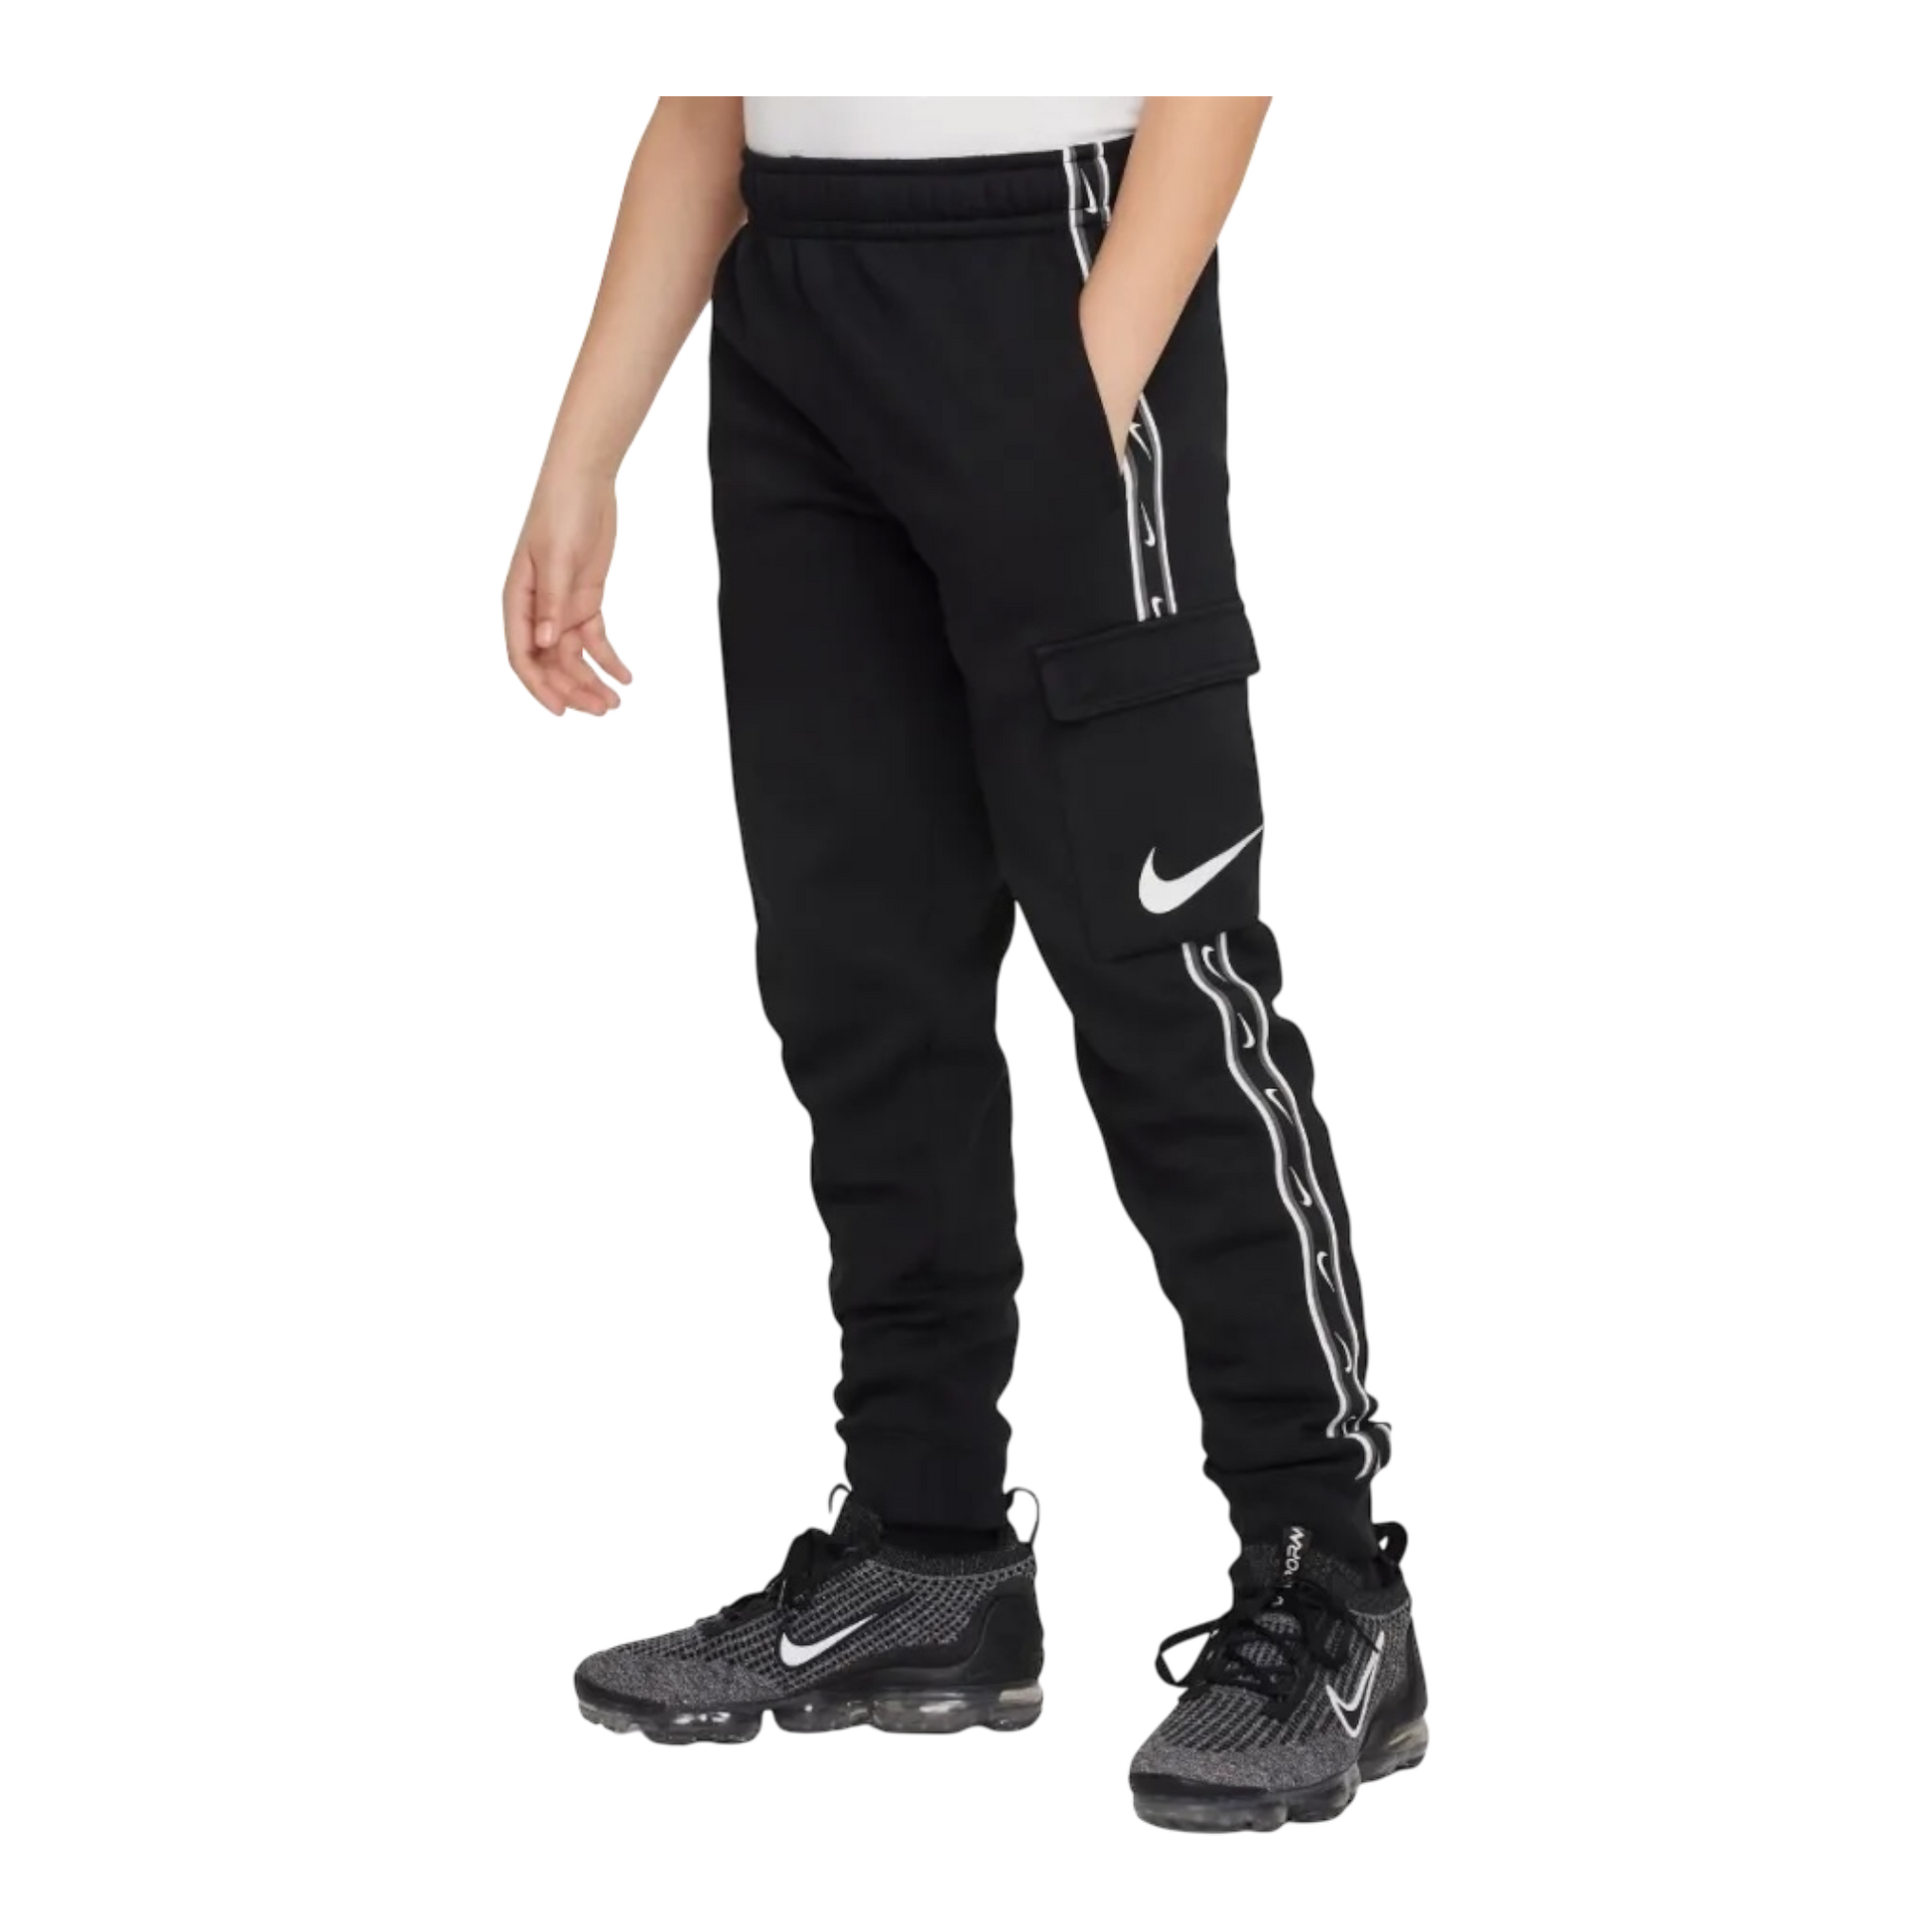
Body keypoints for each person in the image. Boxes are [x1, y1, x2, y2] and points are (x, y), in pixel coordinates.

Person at [511, 93, 1428, 1832]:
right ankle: (925, 1554)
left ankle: (1331, 1582)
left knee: (1162, 975)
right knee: (861, 981)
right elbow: (707, 107)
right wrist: (580, 449)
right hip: (794, 300)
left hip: (1056, 267)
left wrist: (1084, 384)